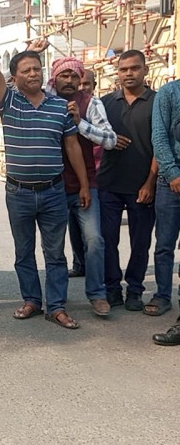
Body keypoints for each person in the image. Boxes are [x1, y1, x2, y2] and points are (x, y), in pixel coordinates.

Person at [0, 22, 90, 329]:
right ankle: (31, 300)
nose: (33, 73)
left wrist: (83, 185)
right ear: (15, 78)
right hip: (19, 193)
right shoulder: (9, 102)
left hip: (53, 192)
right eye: (26, 70)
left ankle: (56, 307)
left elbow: (73, 148)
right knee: (23, 252)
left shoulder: (59, 107)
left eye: (37, 68)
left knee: (55, 254)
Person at [49, 57, 117, 316]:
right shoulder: (45, 101)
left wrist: (80, 123)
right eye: (63, 75)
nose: (69, 80)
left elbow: (110, 140)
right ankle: (56, 301)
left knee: (94, 240)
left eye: (74, 76)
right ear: (54, 78)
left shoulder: (91, 103)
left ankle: (97, 294)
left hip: (85, 185)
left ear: (81, 80)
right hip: (53, 187)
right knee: (54, 246)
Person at [99, 50, 158, 312]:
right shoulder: (104, 103)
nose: (129, 73)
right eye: (124, 69)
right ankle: (112, 288)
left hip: (142, 185)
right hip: (109, 184)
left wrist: (150, 182)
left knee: (141, 241)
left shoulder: (157, 102)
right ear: (118, 73)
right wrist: (107, 139)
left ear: (145, 70)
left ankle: (135, 289)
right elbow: (89, 134)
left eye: (135, 68)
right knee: (107, 240)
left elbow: (161, 145)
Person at [150, 76, 180, 317]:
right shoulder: (169, 92)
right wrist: (172, 174)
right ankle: (162, 295)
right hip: (170, 183)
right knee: (165, 245)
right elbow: (159, 137)